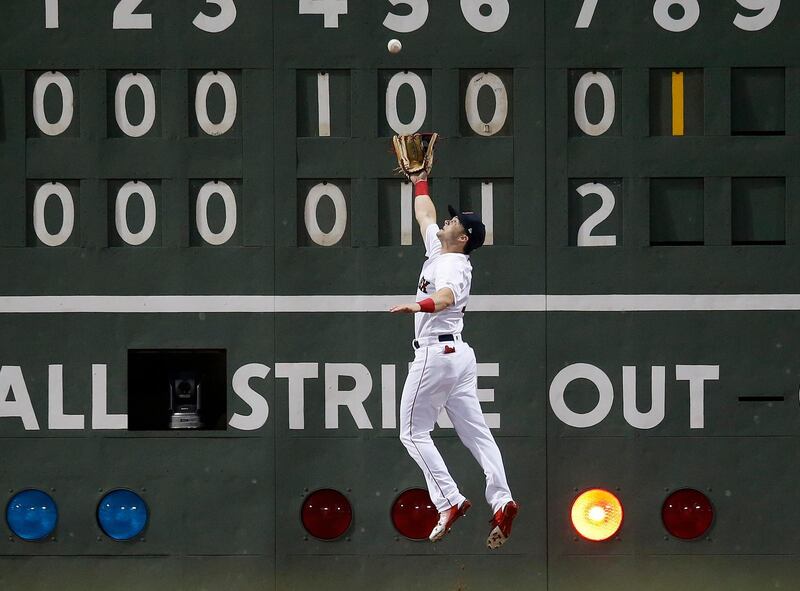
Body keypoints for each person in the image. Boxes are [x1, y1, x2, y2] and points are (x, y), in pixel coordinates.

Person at [389, 170, 518, 549]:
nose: (446, 220)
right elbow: (425, 216)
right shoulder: (440, 250)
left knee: (412, 432)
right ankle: (503, 499)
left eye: (455, 221)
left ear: (462, 238)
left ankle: (450, 501)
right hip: (458, 355)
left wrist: (415, 305)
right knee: (477, 434)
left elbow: (444, 299)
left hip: (436, 353)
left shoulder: (453, 265)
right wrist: (420, 179)